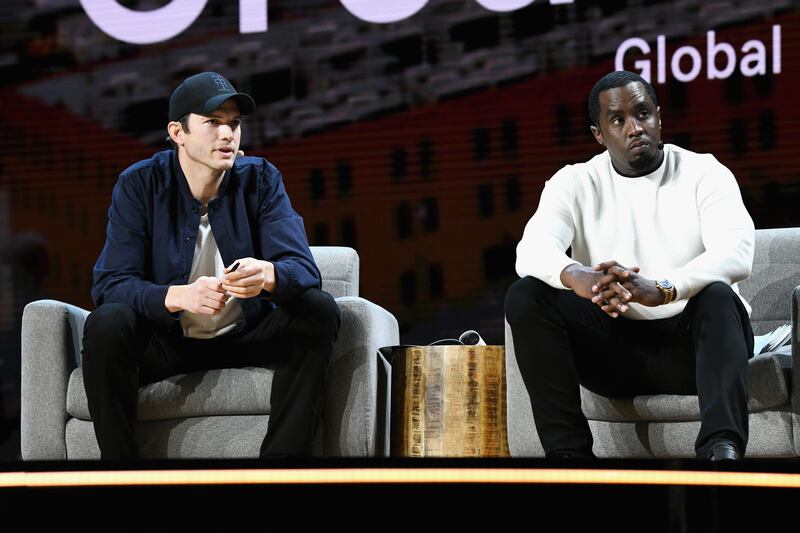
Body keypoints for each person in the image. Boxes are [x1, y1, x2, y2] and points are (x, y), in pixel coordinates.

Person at [82, 72, 340, 459]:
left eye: (234, 124)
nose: (227, 134)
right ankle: (123, 475)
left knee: (317, 308)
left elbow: (304, 270)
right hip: (168, 343)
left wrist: (268, 275)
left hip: (246, 335)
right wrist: (177, 296)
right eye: (213, 122)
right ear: (177, 132)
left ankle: (281, 470)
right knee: (107, 322)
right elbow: (111, 284)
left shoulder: (261, 179)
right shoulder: (139, 185)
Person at [505, 70, 755, 461]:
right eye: (618, 120)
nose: (635, 128)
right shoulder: (574, 182)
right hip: (615, 353)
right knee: (527, 296)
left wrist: (664, 289)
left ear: (659, 117)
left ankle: (721, 451)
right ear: (599, 134)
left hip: (693, 351)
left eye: (642, 114)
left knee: (719, 296)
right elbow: (531, 250)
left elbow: (736, 251)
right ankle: (569, 457)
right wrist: (578, 276)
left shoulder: (704, 171)